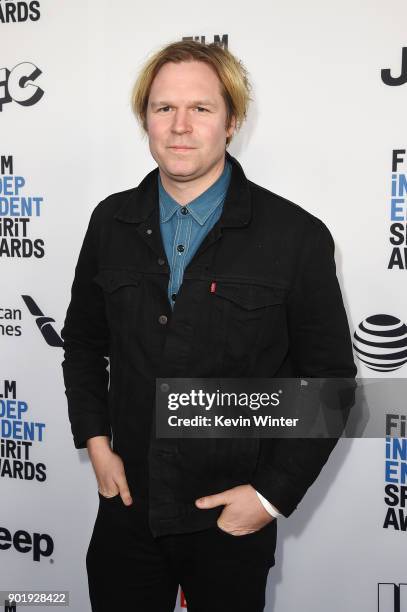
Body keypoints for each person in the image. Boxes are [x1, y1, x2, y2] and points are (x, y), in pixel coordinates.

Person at [61, 40, 356, 612]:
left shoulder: (296, 237)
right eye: (163, 108)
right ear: (144, 118)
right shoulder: (110, 222)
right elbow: (82, 344)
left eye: (200, 108)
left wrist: (270, 498)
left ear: (232, 120)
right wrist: (97, 444)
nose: (179, 126)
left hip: (229, 520)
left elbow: (331, 386)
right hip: (127, 512)